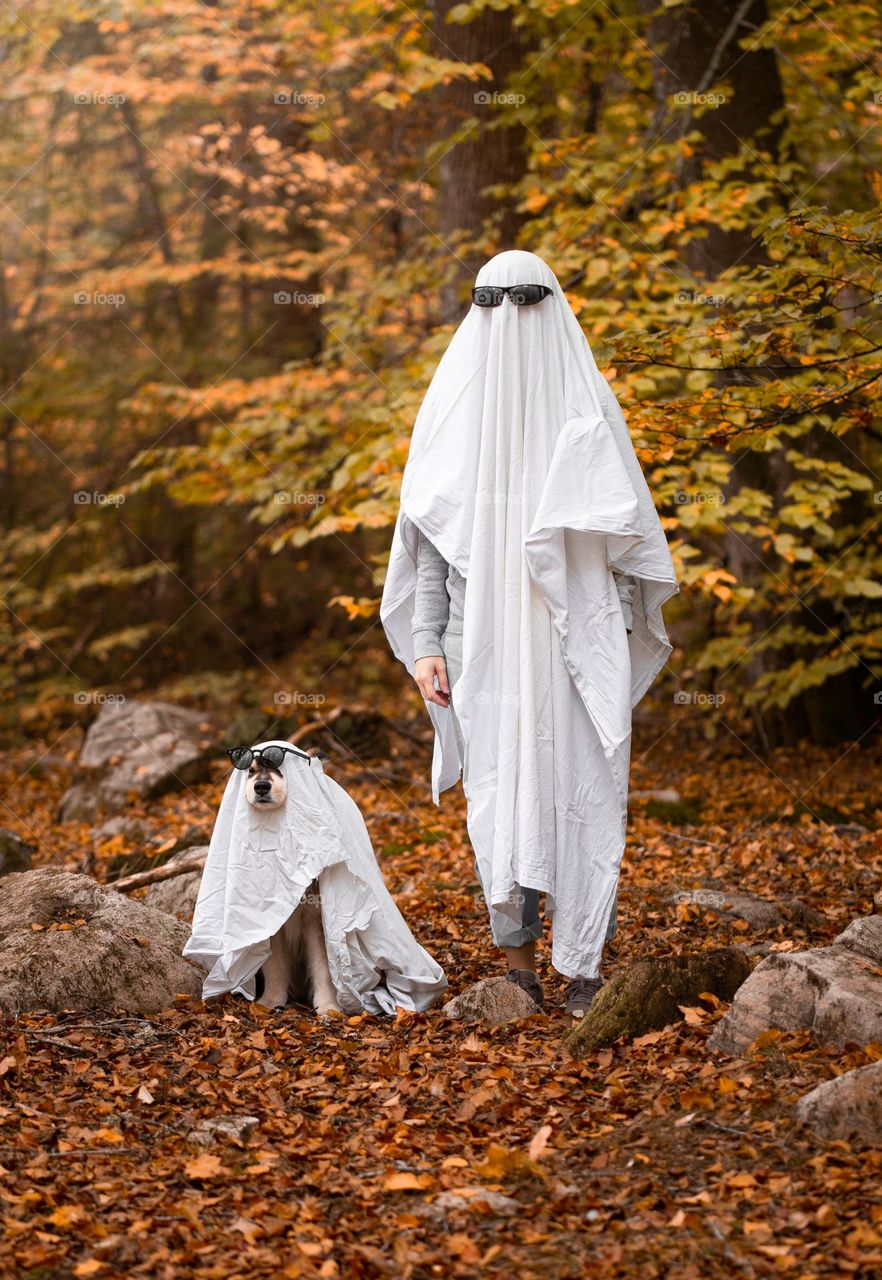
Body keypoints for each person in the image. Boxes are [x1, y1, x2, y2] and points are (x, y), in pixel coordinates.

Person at [381, 250, 677, 1017]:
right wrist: (426, 644)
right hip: (486, 650)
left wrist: (599, 627)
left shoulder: (587, 410)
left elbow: (627, 544)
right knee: (499, 795)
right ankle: (517, 969)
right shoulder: (453, 416)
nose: (508, 320)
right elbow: (430, 550)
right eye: (491, 302)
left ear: (550, 306)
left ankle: (584, 967)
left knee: (584, 792)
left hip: (575, 644)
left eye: (524, 301)